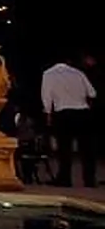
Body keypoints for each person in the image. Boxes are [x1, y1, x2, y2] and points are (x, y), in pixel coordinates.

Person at [41, 53, 97, 188]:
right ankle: (89, 179)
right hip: (82, 111)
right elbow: (92, 93)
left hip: (64, 112)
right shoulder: (78, 73)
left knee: (64, 149)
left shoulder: (48, 74)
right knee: (87, 148)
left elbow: (46, 95)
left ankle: (65, 179)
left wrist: (48, 113)